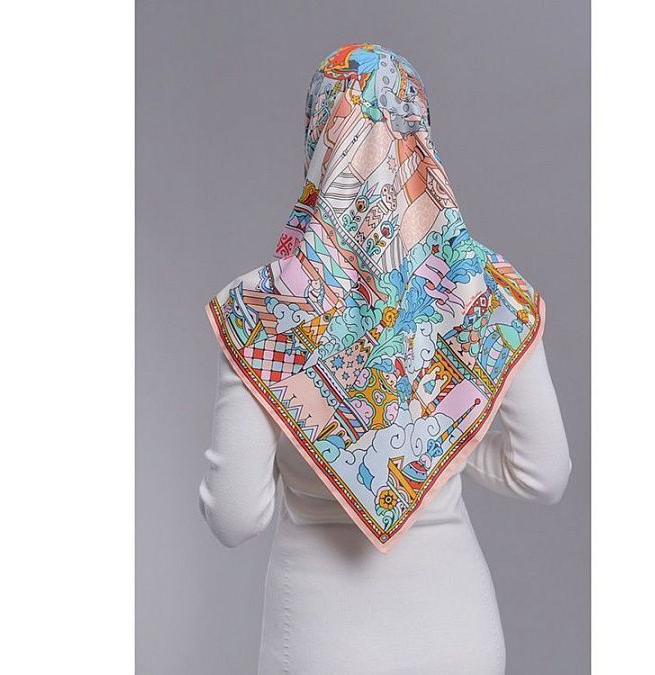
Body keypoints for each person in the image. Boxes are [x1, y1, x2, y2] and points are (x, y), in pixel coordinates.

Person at [200, 43, 571, 674]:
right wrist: (437, 439)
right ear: (420, 136)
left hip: (318, 645)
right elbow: (545, 475)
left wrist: (313, 448)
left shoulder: (261, 308)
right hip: (459, 638)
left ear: (318, 141)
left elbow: (235, 517)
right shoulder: (488, 294)